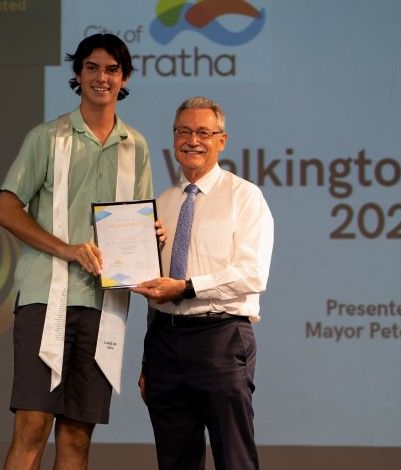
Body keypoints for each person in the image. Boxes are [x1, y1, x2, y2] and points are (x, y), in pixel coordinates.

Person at [0, 33, 155, 470]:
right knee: (32, 427)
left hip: (104, 306)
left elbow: (134, 225)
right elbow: (6, 208)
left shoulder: (136, 147)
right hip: (47, 298)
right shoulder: (48, 137)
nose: (102, 77)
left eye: (112, 70)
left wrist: (148, 238)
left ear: (124, 78)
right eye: (92, 67)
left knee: (78, 439)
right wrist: (66, 249)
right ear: (78, 73)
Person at [132, 96, 274, 470]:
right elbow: (153, 288)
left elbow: (252, 274)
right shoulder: (159, 205)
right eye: (183, 131)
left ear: (221, 140)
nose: (192, 140)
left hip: (221, 340)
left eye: (203, 132)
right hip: (164, 341)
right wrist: (148, 358)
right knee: (175, 461)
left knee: (235, 459)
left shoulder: (244, 197)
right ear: (174, 137)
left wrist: (186, 287)